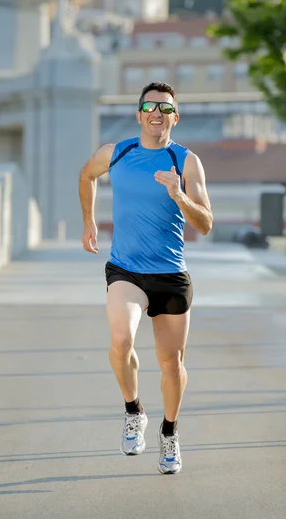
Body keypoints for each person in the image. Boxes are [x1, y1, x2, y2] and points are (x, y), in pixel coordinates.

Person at [79, 82, 213, 474]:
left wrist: (180, 196)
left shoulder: (185, 161)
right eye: (150, 106)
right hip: (126, 270)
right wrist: (88, 220)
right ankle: (133, 410)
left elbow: (205, 224)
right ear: (139, 114)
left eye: (166, 108)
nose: (157, 112)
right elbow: (87, 175)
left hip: (170, 274)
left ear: (175, 116)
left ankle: (169, 434)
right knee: (121, 339)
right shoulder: (117, 153)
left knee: (171, 365)